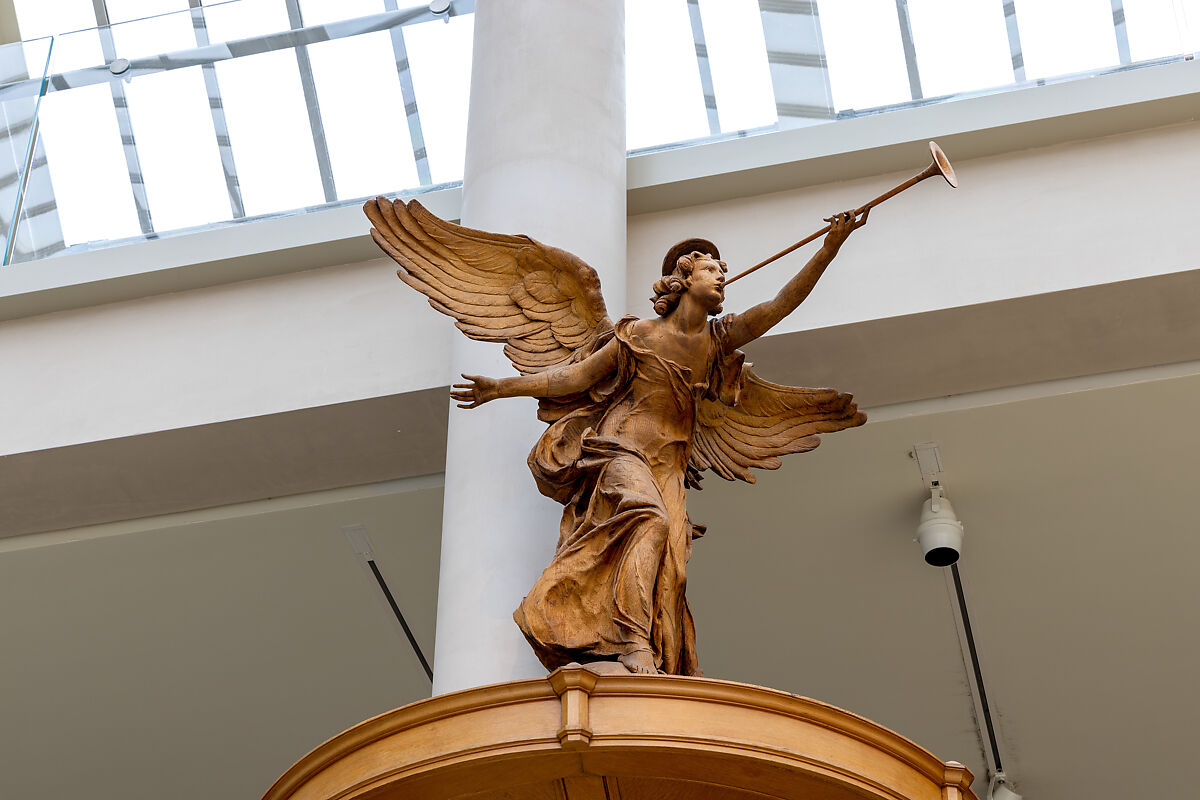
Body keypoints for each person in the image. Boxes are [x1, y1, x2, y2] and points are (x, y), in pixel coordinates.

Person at [449, 210, 868, 675]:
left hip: (669, 465)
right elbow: (576, 376)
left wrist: (829, 247)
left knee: (673, 569)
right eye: (712, 270)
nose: (722, 278)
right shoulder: (639, 334)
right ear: (683, 280)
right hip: (621, 450)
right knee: (646, 518)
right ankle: (633, 644)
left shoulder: (718, 341)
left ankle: (649, 653)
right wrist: (499, 388)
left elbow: (780, 304)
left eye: (725, 272)